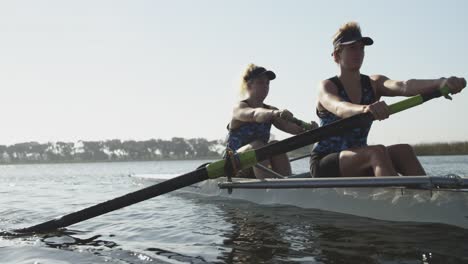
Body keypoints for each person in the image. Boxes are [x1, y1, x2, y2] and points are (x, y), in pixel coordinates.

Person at [310, 22, 466, 178]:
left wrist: (441, 82)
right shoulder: (327, 86)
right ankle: (395, 199)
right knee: (376, 152)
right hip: (325, 162)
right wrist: (365, 109)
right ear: (337, 55)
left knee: (403, 151)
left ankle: (428, 197)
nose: (358, 53)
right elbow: (340, 107)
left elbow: (404, 86)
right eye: (352, 48)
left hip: (359, 157)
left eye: (361, 48)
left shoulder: (374, 83)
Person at [227, 63, 318, 179]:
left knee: (276, 145)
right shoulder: (239, 108)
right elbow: (255, 114)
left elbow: (294, 129)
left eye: (267, 83)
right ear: (249, 85)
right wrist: (275, 113)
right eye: (260, 82)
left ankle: (287, 186)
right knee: (258, 146)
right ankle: (269, 188)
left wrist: (309, 129)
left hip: (259, 163)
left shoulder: (271, 111)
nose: (265, 86)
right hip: (234, 165)